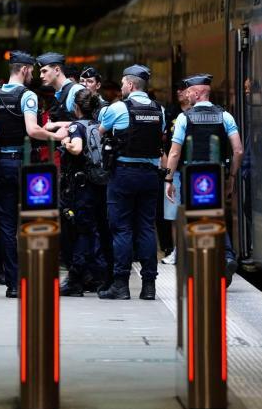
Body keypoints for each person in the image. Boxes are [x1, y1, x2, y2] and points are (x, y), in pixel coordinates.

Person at [0, 51, 64, 297]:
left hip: (1, 164)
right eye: (32, 70)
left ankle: (12, 284)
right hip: (24, 163)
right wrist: (54, 136)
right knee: (33, 221)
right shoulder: (27, 96)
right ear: (25, 70)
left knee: (7, 226)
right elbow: (32, 129)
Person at [164, 73, 244, 285]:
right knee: (215, 217)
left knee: (194, 220)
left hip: (192, 177)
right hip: (216, 175)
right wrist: (232, 177)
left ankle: (201, 269)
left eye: (189, 91)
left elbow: (174, 153)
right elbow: (238, 150)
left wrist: (168, 180)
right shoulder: (225, 116)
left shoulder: (184, 118)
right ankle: (226, 257)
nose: (186, 95)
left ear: (198, 93)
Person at [97, 64, 165, 300]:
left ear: (131, 84)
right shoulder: (160, 110)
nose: (122, 87)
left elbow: (100, 130)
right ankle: (149, 287)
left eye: (124, 83)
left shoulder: (118, 108)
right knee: (146, 228)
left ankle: (120, 284)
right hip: (149, 175)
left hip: (124, 174)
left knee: (122, 229)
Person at [55, 89, 111, 295]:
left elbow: (77, 149)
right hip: (100, 183)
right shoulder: (99, 126)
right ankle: (99, 275)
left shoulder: (76, 127)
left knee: (81, 230)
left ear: (76, 108)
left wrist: (66, 142)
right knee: (99, 229)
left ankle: (76, 277)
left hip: (81, 185)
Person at [159, 82, 191, 265]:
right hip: (175, 170)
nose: (179, 92)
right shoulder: (170, 112)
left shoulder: (197, 114)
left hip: (193, 169)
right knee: (173, 213)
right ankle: (176, 250)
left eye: (183, 89)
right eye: (177, 89)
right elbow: (161, 139)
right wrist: (165, 164)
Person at [38, 52, 85, 122]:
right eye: (41, 72)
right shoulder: (58, 94)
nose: (41, 76)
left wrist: (56, 125)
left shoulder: (76, 90)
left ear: (57, 70)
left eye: (44, 71)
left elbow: (88, 123)